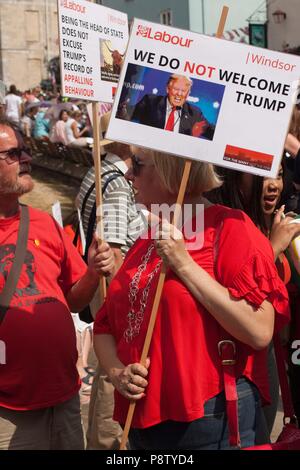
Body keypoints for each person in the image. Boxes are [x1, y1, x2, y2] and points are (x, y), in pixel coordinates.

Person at [93, 147, 290, 450]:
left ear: (170, 171)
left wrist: (185, 265)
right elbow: (105, 324)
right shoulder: (153, 235)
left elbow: (259, 329)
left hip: (211, 423)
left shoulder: (230, 227)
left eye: (139, 166)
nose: (129, 174)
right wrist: (119, 373)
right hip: (143, 425)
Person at [0, 119, 115, 450]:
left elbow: (75, 302)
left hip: (64, 397)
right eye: (13, 153)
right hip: (9, 412)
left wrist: (93, 271)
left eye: (25, 150)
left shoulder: (45, 223)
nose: (26, 159)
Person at [206, 165, 300, 434]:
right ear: (234, 175)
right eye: (265, 175)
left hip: (271, 356)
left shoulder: (278, 222)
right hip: (235, 364)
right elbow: (233, 290)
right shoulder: (224, 224)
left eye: (279, 174)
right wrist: (273, 247)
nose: (274, 185)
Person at [77, 112, 145, 449]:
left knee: (104, 367)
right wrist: (126, 304)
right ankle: (109, 445)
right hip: (112, 288)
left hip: (101, 288)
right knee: (111, 373)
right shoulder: (117, 184)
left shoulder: (96, 172)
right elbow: (114, 251)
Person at [117, 74, 215, 140]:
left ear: (188, 93)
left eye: (184, 91)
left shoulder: (195, 113)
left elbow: (211, 132)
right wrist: (123, 110)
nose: (179, 94)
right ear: (168, 89)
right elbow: (129, 114)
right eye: (176, 89)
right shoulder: (150, 102)